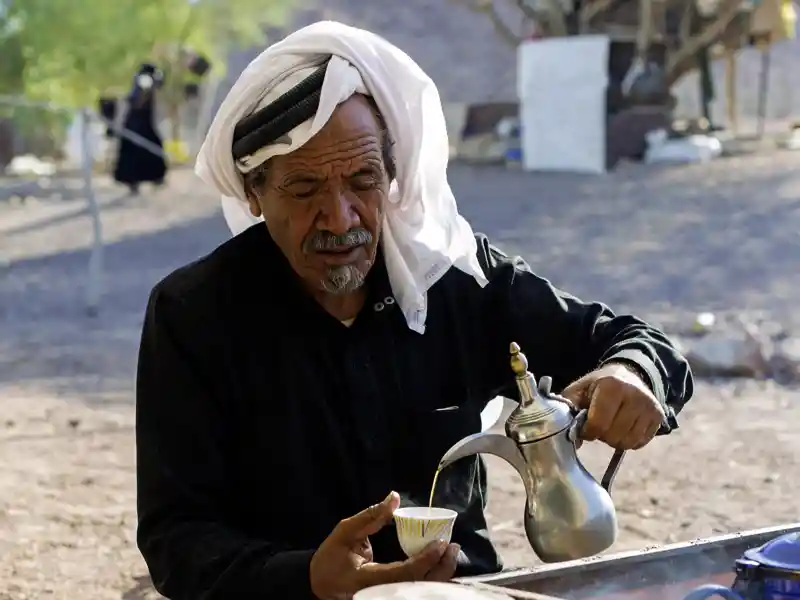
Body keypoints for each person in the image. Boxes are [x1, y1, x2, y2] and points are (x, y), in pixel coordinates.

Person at [135, 22, 694, 600]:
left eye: (363, 181)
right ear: (254, 192)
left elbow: (635, 341)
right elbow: (176, 538)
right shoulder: (195, 316)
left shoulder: (452, 278)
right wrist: (307, 577)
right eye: (304, 190)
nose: (341, 217)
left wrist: (629, 374)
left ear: (393, 177)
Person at [113, 63, 168, 195]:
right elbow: (136, 100)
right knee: (132, 152)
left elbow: (158, 87)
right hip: (135, 122)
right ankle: (132, 182)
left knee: (153, 148)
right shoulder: (141, 82)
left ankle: (156, 178)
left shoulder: (151, 80)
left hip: (146, 121)